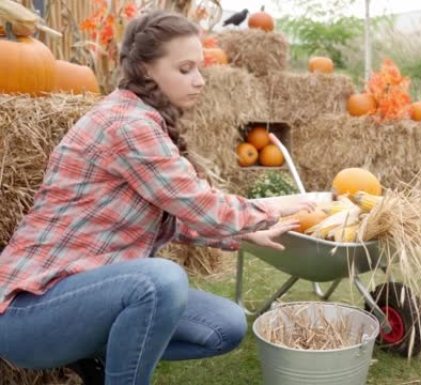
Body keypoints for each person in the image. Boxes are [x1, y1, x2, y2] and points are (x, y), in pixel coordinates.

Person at [0, 10, 311, 385]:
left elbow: (172, 216)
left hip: (85, 293)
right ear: (147, 69)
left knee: (224, 325)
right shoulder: (128, 125)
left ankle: (101, 359)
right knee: (159, 281)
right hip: (28, 313)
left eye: (199, 69)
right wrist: (275, 207)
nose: (199, 81)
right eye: (185, 69)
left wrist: (243, 233)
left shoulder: (141, 119)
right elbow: (201, 206)